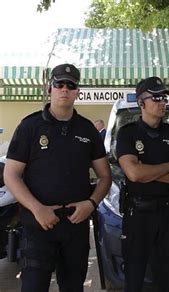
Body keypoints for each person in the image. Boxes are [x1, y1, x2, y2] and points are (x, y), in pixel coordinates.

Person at [4, 64, 112, 292]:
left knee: (73, 287)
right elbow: (11, 174)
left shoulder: (87, 130)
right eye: (59, 84)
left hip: (75, 227)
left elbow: (104, 176)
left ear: (77, 92)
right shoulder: (30, 126)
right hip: (37, 227)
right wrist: (37, 208)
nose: (64, 89)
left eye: (70, 85)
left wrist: (91, 204)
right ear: (49, 88)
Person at [116, 76, 169, 292]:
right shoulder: (128, 133)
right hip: (138, 216)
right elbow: (133, 173)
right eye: (156, 98)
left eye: (164, 98)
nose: (162, 103)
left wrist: (146, 171)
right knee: (134, 276)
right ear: (141, 103)